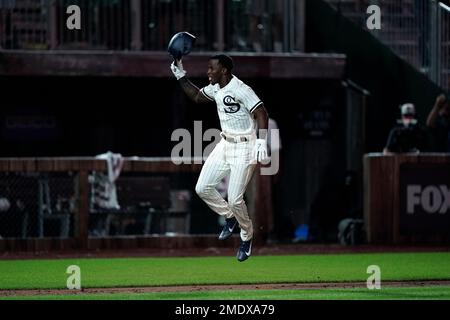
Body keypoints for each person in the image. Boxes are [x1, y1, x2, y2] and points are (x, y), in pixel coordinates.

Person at [170, 54, 269, 262]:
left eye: (211, 68)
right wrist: (180, 76)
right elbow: (197, 96)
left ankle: (246, 235)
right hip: (225, 143)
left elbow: (261, 112)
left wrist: (261, 142)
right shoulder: (215, 88)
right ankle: (230, 216)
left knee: (235, 198)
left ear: (223, 70)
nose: (208, 72)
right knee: (202, 188)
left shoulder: (241, 89)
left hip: (245, 146)